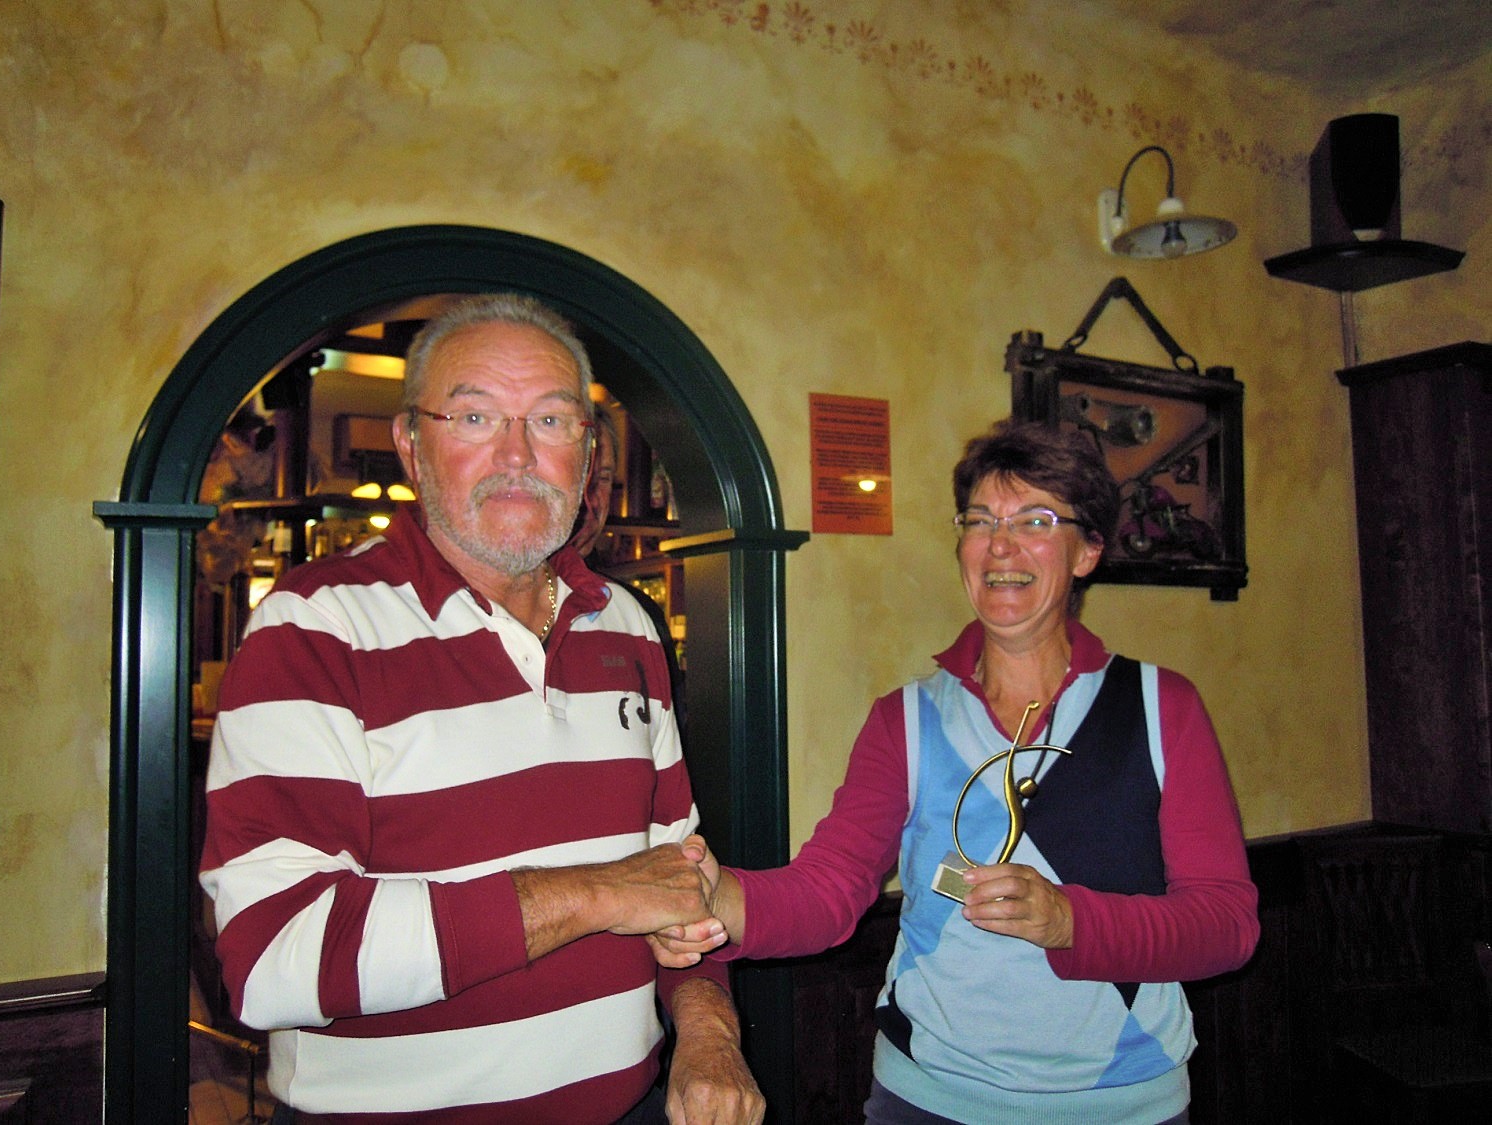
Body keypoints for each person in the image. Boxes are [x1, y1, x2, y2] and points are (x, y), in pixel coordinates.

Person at [200, 293, 763, 1124]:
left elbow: (679, 882)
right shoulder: (314, 626)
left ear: (587, 453)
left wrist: (709, 1032)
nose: (517, 455)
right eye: (474, 416)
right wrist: (595, 895)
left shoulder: (627, 624)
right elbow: (272, 955)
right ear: (410, 443)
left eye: (551, 421)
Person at [658, 419, 1259, 1123]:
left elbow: (1226, 925)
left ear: (1089, 550)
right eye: (980, 520)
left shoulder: (1160, 706)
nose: (1000, 544)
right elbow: (829, 889)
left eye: (1035, 520)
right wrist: (721, 899)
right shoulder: (906, 719)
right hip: (930, 1097)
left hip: (1127, 1101)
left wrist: (1070, 921)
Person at [568, 405, 687, 733]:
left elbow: (670, 739)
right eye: (579, 474)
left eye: (603, 478)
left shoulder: (637, 615)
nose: (591, 498)